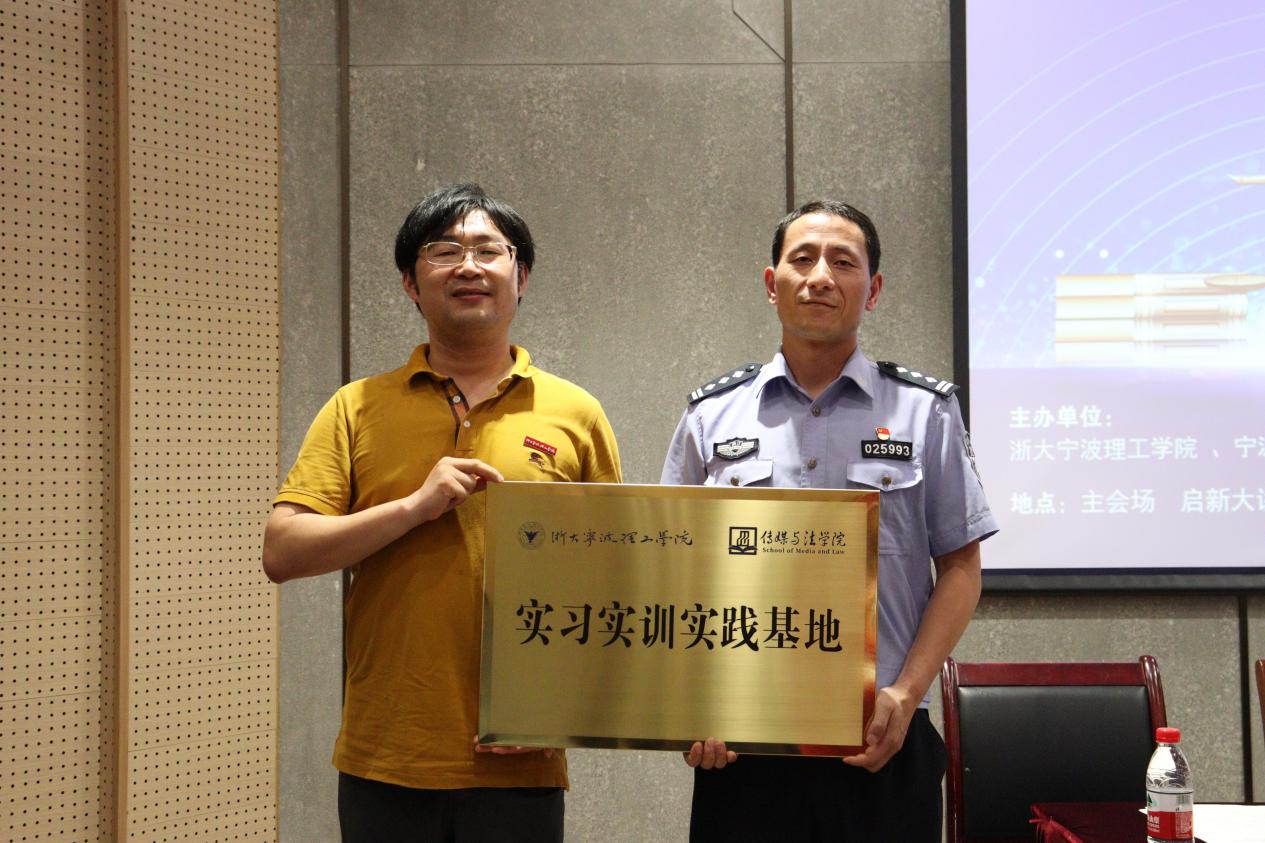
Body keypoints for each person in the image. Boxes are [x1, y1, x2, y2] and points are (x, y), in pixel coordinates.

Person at [263, 184, 621, 842]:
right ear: (410, 282)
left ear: (521, 276)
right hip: (385, 756)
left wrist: (563, 708)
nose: (468, 266)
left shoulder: (577, 413)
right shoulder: (355, 407)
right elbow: (283, 551)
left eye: (489, 250)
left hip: (519, 760)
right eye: (444, 251)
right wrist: (412, 508)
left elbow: (613, 578)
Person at [660, 200, 997, 841]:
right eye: (803, 259)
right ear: (772, 283)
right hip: (742, 740)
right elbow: (671, 568)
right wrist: (692, 700)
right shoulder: (712, 415)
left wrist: (907, 692)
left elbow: (961, 567)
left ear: (873, 290)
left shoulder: (926, 411)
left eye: (843, 262)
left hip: (883, 736)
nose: (820, 276)